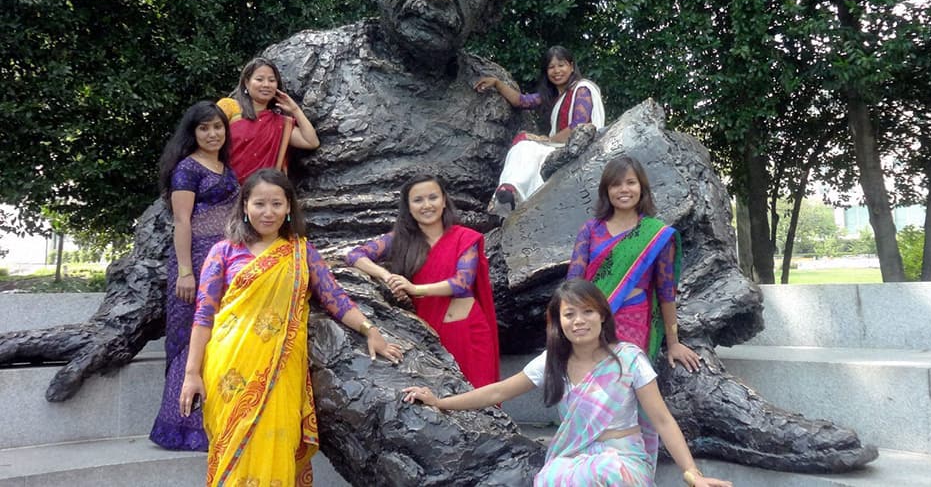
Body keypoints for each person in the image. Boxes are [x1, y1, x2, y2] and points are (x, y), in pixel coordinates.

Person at [179, 168, 402, 486]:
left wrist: (370, 329)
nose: (267, 212)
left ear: (288, 209)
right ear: (245, 206)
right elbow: (203, 316)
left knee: (278, 443)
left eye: (276, 204)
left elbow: (334, 297)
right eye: (259, 204)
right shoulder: (224, 252)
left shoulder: (301, 252)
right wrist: (191, 374)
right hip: (228, 368)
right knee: (230, 449)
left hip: (281, 370)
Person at [401, 280, 732, 487]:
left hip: (623, 458)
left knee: (606, 473)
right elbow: (500, 391)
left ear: (602, 315)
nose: (579, 321)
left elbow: (662, 419)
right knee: (552, 478)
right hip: (573, 453)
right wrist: (440, 402)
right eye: (569, 314)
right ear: (558, 322)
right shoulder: (552, 361)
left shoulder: (629, 358)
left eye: (587, 312)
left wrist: (692, 474)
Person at [346, 174, 500, 388]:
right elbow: (355, 256)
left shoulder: (465, 237)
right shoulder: (399, 240)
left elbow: (461, 283)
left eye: (433, 198)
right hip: (427, 334)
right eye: (418, 200)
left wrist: (415, 288)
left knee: (480, 398)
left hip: (468, 331)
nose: (426, 205)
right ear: (408, 207)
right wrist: (386, 276)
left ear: (444, 201)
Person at [149, 100, 239, 451]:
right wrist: (185, 272)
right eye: (205, 128)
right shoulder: (186, 169)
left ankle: (214, 421)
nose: (213, 133)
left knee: (217, 341)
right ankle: (178, 427)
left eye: (218, 127)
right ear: (193, 133)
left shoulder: (225, 167)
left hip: (225, 264)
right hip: (194, 264)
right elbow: (182, 221)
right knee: (190, 342)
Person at [566, 155, 701, 372]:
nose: (623, 190)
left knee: (622, 388)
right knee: (588, 391)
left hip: (633, 321)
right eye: (616, 184)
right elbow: (572, 284)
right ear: (606, 191)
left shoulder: (657, 235)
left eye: (630, 182)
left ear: (642, 187)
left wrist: (674, 342)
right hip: (589, 322)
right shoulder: (591, 230)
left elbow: (666, 293)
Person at [475, 45, 605, 213]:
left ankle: (512, 192)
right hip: (558, 146)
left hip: (578, 146)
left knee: (526, 146)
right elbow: (521, 101)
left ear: (571, 66)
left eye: (561, 65)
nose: (557, 70)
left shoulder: (582, 89)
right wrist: (497, 83)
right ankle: (509, 194)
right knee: (524, 144)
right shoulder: (554, 95)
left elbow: (579, 125)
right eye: (551, 67)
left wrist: (546, 140)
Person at [216, 57, 320, 184]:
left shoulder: (280, 123)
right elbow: (205, 142)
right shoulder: (229, 107)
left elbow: (311, 141)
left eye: (272, 80)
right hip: (224, 187)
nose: (266, 84)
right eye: (259, 79)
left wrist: (295, 110)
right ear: (247, 83)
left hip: (261, 193)